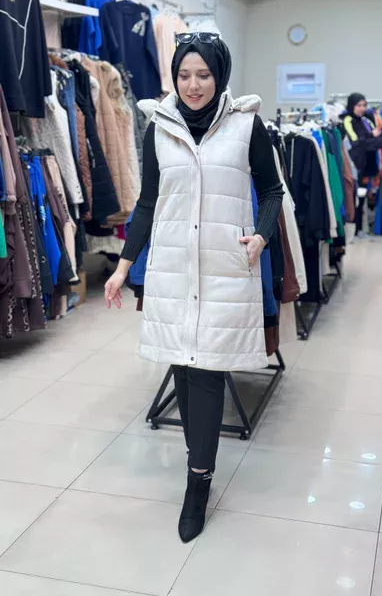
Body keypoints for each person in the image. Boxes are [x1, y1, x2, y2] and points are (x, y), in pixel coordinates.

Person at [104, 33, 283, 543]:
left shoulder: (246, 125)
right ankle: (196, 459)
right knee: (183, 368)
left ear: (220, 75)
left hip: (224, 269)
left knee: (205, 372)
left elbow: (272, 190)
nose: (193, 84)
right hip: (174, 269)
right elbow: (148, 202)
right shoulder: (159, 127)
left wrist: (262, 235)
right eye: (184, 75)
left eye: (203, 74)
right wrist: (122, 266)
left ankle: (197, 482)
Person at [343, 93, 382, 236]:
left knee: (362, 197)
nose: (362, 108)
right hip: (356, 165)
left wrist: (375, 136)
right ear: (352, 106)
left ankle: (359, 229)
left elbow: (377, 134)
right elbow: (355, 140)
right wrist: (371, 135)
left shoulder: (366, 120)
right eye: (359, 105)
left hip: (367, 164)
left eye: (364, 105)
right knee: (356, 197)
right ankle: (355, 229)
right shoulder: (348, 120)